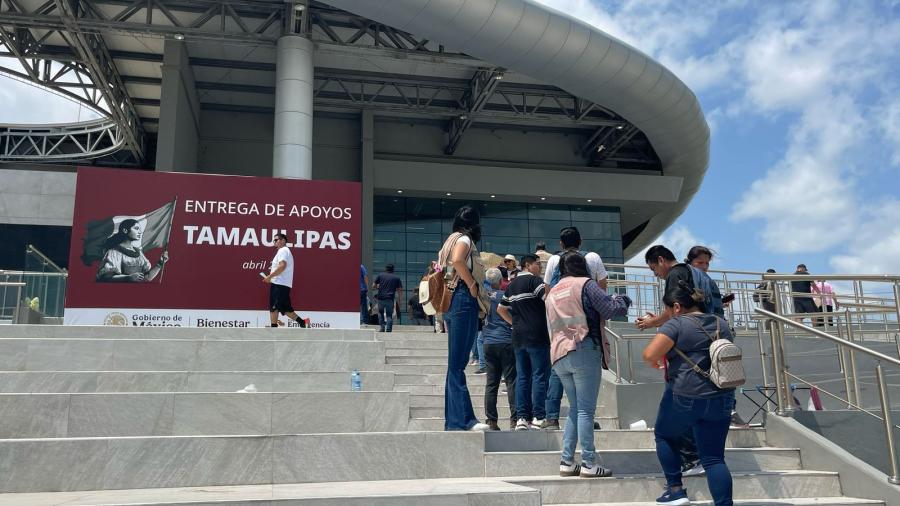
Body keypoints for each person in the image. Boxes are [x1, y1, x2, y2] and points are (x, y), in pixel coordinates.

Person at [642, 281, 736, 506]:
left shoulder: (676, 325)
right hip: (721, 397)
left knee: (664, 435)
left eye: (668, 309)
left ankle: (675, 491)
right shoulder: (720, 323)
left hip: (685, 395)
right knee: (714, 458)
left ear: (676, 307)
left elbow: (649, 355)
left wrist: (657, 362)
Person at [546, 252, 630, 477]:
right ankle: (589, 463)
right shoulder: (586, 284)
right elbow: (611, 309)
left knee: (575, 409)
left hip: (558, 354)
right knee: (585, 410)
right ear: (582, 266)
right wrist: (624, 300)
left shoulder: (552, 292)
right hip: (583, 349)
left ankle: (566, 461)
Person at [542, 226, 610, 430]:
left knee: (557, 371)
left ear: (561, 244)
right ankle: (587, 417)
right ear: (581, 242)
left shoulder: (554, 260)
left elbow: (548, 290)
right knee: (588, 376)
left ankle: (552, 418)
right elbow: (603, 286)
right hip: (588, 327)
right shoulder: (593, 258)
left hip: (560, 326)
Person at [439, 205, 490, 431]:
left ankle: (454, 421)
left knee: (455, 364)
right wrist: (471, 284)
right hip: (462, 299)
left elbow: (446, 268)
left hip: (452, 301)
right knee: (458, 363)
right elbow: (459, 260)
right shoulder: (465, 240)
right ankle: (464, 420)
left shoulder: (449, 240)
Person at [498, 254, 550, 431]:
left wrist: (514, 323)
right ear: (528, 265)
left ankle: (521, 418)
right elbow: (548, 300)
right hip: (537, 335)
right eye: (537, 264)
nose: (540, 267)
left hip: (518, 337)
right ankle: (538, 416)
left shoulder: (511, 285)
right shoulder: (535, 281)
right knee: (539, 376)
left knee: (522, 377)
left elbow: (501, 309)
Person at [482, 267, 517, 430]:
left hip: (488, 341)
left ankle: (491, 420)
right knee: (511, 381)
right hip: (505, 340)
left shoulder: (483, 298)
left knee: (491, 383)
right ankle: (515, 418)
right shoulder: (505, 296)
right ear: (500, 281)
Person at [96, 219, 169, 282]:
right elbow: (106, 277)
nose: (140, 232)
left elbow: (147, 278)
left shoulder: (139, 253)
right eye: (136, 228)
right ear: (125, 230)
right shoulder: (114, 252)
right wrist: (128, 277)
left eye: (140, 229)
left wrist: (160, 264)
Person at [262, 233, 307, 328]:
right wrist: (271, 278)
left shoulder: (283, 250)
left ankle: (273, 328)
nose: (274, 242)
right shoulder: (284, 251)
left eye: (276, 240)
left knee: (274, 307)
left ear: (283, 241)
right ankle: (303, 323)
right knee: (286, 309)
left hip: (280, 285)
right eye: (273, 240)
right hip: (281, 284)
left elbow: (282, 266)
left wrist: (269, 277)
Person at [373, 264, 403, 332]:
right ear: (393, 269)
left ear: (386, 269)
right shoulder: (396, 278)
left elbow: (373, 286)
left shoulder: (380, 275)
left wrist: (377, 287)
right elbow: (400, 290)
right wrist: (400, 300)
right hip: (390, 298)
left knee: (380, 313)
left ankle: (382, 328)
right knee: (389, 314)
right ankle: (389, 329)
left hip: (381, 298)